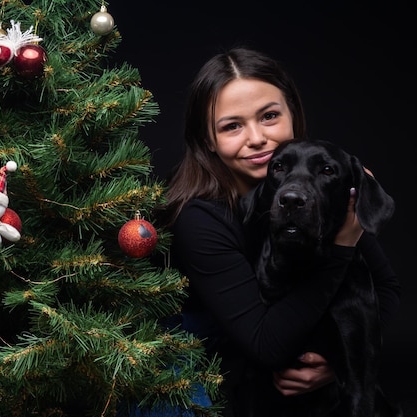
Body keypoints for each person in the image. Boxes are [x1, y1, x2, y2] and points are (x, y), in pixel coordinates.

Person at [154, 47, 401, 416]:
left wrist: (336, 363)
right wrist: (342, 248)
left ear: (293, 114)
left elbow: (384, 291)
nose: (257, 138)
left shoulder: (322, 186)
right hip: (204, 361)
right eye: (231, 126)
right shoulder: (198, 218)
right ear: (208, 140)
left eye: (269, 116)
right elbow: (264, 344)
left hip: (279, 350)